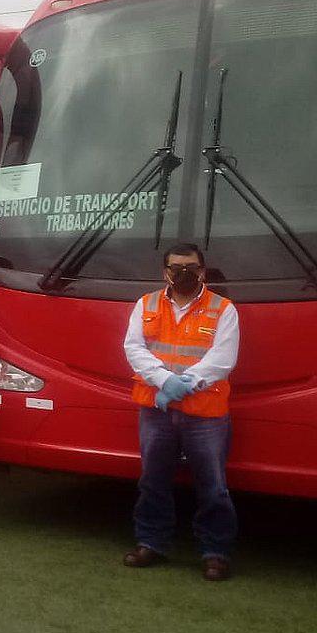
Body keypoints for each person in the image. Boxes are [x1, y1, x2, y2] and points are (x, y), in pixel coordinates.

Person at [122, 242, 240, 582]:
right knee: (152, 481)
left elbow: (223, 359)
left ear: (202, 271)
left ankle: (215, 552)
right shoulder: (146, 305)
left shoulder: (224, 309)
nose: (183, 273)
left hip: (205, 412)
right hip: (156, 411)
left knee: (213, 486)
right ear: (165, 273)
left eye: (190, 267)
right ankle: (150, 542)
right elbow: (134, 347)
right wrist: (163, 381)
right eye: (176, 268)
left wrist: (182, 384)